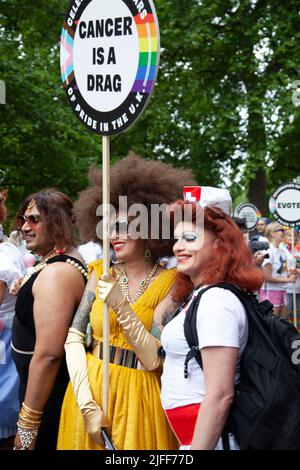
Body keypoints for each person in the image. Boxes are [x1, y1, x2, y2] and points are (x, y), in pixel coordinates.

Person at [57, 153, 196, 450]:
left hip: (139, 399)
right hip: (90, 390)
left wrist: (121, 307)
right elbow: (74, 337)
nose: (113, 235)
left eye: (122, 226)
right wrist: (85, 401)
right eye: (109, 226)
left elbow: (154, 358)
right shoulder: (100, 273)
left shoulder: (172, 283)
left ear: (148, 230)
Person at [159, 189, 264, 449]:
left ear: (220, 242)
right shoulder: (202, 294)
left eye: (190, 237)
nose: (178, 247)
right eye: (176, 238)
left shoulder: (217, 301)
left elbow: (220, 395)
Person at [11, 189, 88, 450]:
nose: (24, 227)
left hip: (47, 404)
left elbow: (49, 355)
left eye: (34, 219)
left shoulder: (58, 273)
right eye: (23, 219)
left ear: (57, 223)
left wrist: (28, 425)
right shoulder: (52, 265)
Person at [260, 222, 297, 318]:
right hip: (271, 290)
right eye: (282, 231)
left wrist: (291, 274)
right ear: (273, 233)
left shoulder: (282, 251)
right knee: (272, 323)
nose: (284, 233)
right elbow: (267, 277)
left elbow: (283, 272)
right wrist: (288, 280)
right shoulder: (268, 251)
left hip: (282, 290)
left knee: (282, 323)